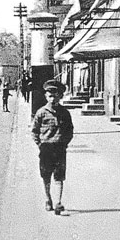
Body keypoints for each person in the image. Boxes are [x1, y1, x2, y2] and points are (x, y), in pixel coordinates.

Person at [31, 80, 73, 215]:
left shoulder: (65, 113)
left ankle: (58, 202)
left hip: (59, 148)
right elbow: (34, 131)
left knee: (59, 176)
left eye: (55, 96)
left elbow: (69, 130)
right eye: (50, 96)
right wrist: (40, 144)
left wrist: (64, 143)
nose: (53, 99)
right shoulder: (41, 112)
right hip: (46, 148)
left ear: (60, 96)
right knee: (46, 175)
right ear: (46, 96)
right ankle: (48, 199)